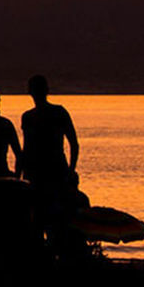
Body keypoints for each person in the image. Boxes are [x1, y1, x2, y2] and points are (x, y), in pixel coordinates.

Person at [21, 74, 85, 248]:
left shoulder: (56, 112)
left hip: (53, 171)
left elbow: (73, 143)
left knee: (52, 217)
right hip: (39, 172)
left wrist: (71, 170)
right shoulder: (29, 117)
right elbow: (25, 150)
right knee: (40, 218)